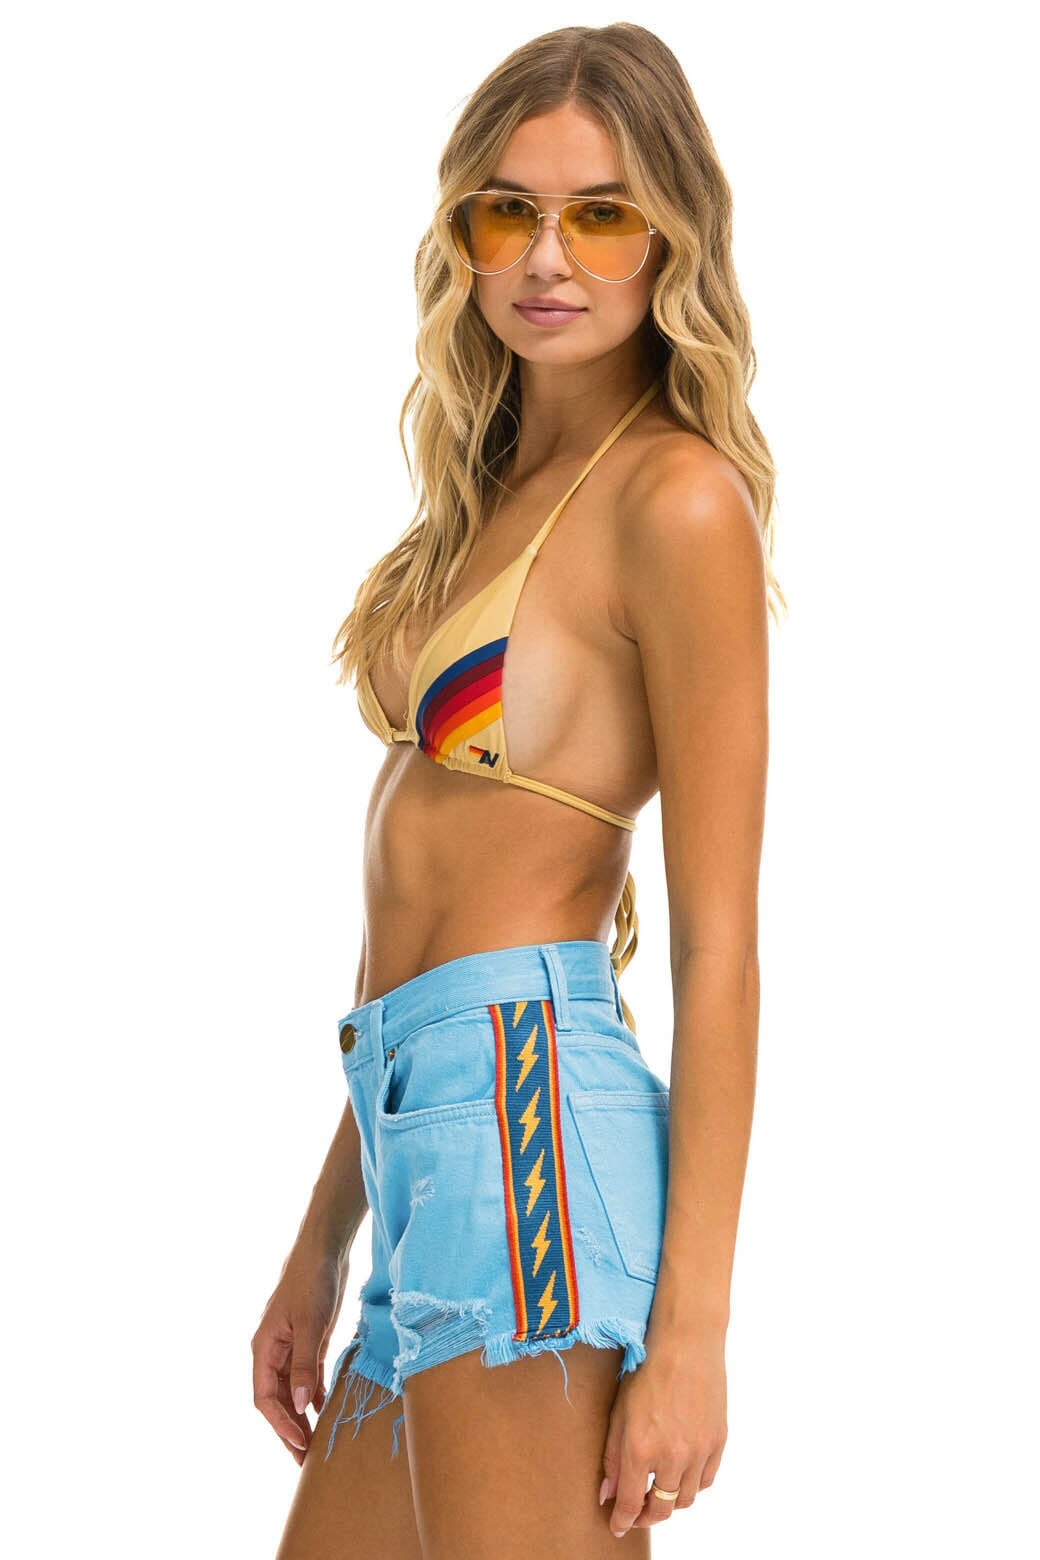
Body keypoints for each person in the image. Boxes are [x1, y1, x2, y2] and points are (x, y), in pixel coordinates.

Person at [257, 22, 779, 1557]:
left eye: (601, 213)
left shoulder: (677, 502)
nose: (548, 257)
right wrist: (322, 1241)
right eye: (510, 211)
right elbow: (414, 938)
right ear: (465, 235)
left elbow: (719, 948)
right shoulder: (486, 495)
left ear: (668, 235)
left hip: (527, 1122)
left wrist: (693, 1334)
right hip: (418, 1127)